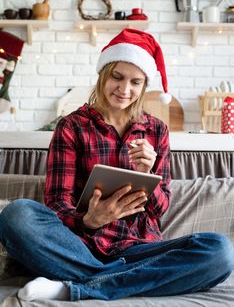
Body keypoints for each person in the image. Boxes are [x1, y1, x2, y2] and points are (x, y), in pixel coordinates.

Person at [0, 28, 233, 302]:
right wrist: (88, 220)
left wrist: (148, 172)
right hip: (77, 246)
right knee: (17, 215)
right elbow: (57, 202)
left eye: (135, 82)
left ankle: (75, 286)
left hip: (138, 248)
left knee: (218, 251)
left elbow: (161, 209)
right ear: (103, 75)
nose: (125, 89)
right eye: (117, 77)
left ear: (144, 86)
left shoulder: (157, 130)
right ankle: (114, 279)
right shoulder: (72, 126)